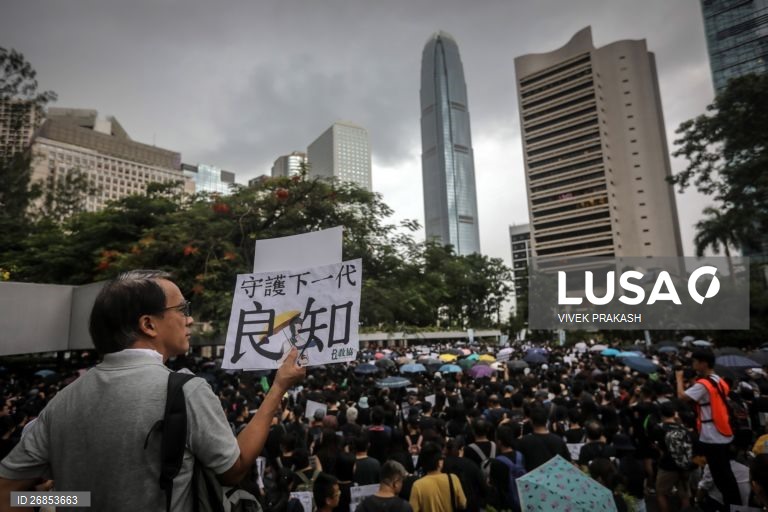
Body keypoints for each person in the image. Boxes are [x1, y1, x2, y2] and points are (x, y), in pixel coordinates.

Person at [0, 270, 306, 511]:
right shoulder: (186, 391)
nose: (190, 319)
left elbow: (9, 494)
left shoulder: (60, 403)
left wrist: (65, 500)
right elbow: (234, 469)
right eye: (182, 309)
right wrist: (278, 386)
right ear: (148, 324)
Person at [676, 349, 742, 508]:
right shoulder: (718, 380)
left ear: (703, 363)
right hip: (723, 431)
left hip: (712, 435)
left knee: (721, 477)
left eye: (695, 361)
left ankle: (733, 506)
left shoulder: (704, 384)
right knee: (726, 474)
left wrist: (678, 379)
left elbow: (682, 397)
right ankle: (735, 505)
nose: (693, 364)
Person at [409, 442, 466, 512]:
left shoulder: (417, 486)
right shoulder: (453, 478)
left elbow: (412, 509)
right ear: (440, 462)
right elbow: (463, 504)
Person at [515, 406, 571, 472]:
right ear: (546, 421)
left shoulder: (523, 441)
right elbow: (567, 461)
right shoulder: (559, 441)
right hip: (554, 477)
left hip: (531, 478)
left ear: (531, 421)